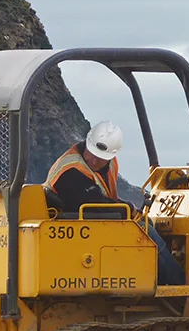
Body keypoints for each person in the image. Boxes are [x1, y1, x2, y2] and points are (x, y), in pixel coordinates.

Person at [46, 121, 182, 286]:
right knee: (147, 233)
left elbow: (101, 197)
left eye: (101, 158)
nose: (95, 161)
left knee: (147, 223)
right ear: (87, 143)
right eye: (93, 154)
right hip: (77, 227)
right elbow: (92, 206)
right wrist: (126, 210)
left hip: (92, 223)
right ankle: (178, 285)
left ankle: (156, 280)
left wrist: (125, 208)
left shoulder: (109, 163)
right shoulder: (70, 171)